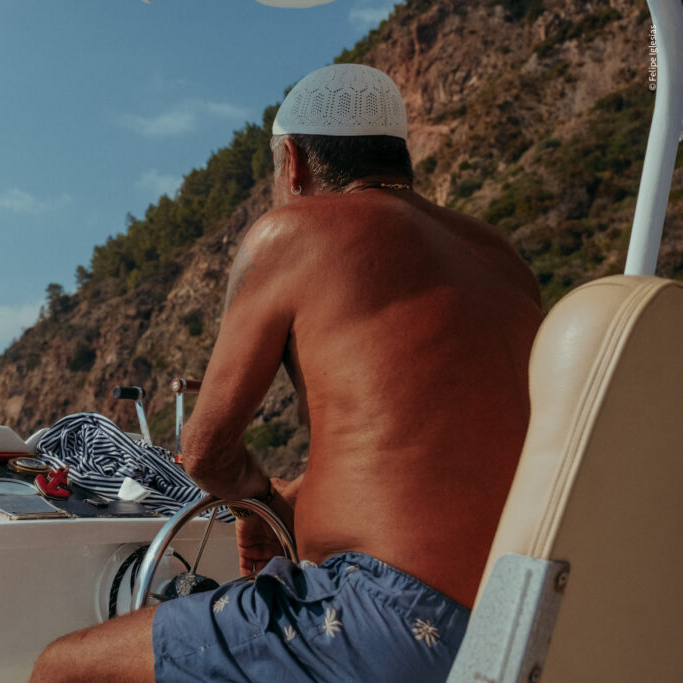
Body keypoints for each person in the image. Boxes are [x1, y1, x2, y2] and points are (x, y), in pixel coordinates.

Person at [30, 64, 542, 682]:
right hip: (520, 618)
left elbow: (207, 454)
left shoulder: (295, 231)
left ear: (292, 162)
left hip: (391, 618)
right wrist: (314, 492)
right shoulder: (503, 259)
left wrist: (264, 502)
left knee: (64, 668)